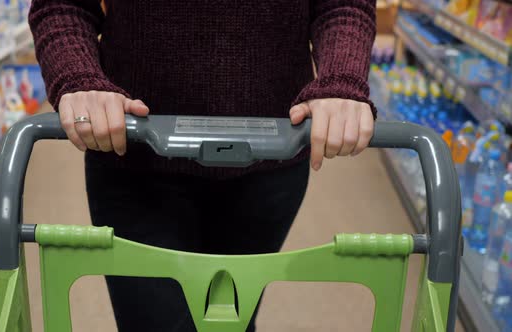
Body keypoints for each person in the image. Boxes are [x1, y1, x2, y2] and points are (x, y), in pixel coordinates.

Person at [29, 0, 376, 331]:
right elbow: (63, 6)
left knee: (234, 320)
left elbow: (342, 6)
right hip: (133, 160)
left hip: (272, 163)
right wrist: (79, 77)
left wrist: (341, 79)